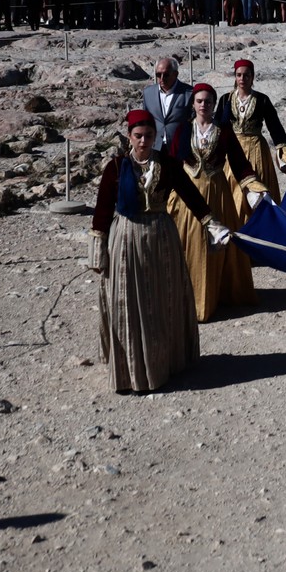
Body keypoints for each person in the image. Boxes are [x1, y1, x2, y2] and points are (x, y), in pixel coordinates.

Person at [89, 110, 232, 393]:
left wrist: (212, 224)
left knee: (161, 299)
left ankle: (164, 363)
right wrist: (98, 251)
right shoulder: (116, 167)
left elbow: (190, 195)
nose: (143, 141)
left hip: (160, 236)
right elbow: (102, 210)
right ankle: (129, 369)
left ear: (156, 137)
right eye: (138, 136)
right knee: (127, 302)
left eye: (149, 136)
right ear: (129, 136)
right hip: (126, 239)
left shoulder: (166, 164)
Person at [171, 83, 267, 321]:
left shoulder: (224, 131)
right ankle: (188, 296)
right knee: (191, 244)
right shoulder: (183, 130)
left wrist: (253, 188)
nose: (204, 105)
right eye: (200, 101)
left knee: (218, 246)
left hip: (217, 194)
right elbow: (172, 163)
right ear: (193, 104)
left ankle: (218, 294)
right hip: (189, 196)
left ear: (215, 105)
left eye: (208, 101)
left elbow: (238, 163)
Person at [216, 59, 286, 217]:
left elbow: (275, 127)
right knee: (233, 186)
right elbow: (218, 127)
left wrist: (285, 152)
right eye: (239, 75)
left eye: (246, 75)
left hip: (256, 150)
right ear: (235, 77)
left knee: (258, 187)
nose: (242, 79)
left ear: (252, 77)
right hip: (232, 150)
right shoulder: (225, 99)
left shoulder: (262, 100)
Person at [143, 57, 194, 151]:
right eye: (158, 74)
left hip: (179, 147)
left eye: (166, 74)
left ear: (176, 74)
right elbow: (146, 120)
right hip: (155, 147)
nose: (161, 78)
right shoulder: (148, 93)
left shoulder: (189, 93)